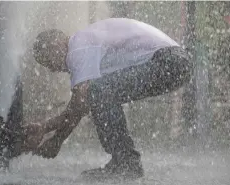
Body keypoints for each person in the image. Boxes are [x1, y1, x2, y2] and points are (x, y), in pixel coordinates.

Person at [24, 18, 192, 180]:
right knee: (99, 93)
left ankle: (126, 163)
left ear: (54, 46)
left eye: (47, 62)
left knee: (99, 91)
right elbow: (82, 105)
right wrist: (56, 138)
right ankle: (124, 161)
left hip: (168, 61)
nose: (52, 70)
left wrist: (49, 130)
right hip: (175, 63)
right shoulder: (85, 46)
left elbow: (81, 100)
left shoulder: (77, 47)